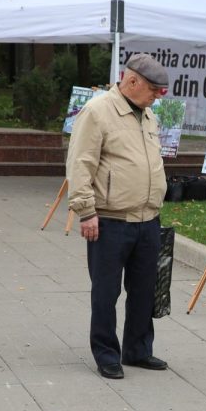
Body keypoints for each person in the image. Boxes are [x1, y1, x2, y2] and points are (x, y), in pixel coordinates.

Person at [67, 53, 169, 379]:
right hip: (109, 220)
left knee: (144, 289)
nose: (158, 96)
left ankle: (138, 350)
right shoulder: (98, 112)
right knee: (106, 291)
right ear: (132, 80)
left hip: (147, 219)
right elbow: (81, 163)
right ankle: (106, 353)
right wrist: (85, 211)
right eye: (154, 89)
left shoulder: (149, 116)